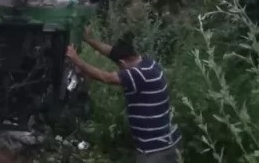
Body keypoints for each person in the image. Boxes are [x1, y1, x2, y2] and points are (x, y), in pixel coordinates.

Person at [65, 27, 181, 163]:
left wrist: (75, 59)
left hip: (154, 150)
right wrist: (90, 40)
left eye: (119, 66)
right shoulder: (148, 63)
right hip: (169, 140)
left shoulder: (137, 75)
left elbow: (105, 77)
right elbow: (113, 53)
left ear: (122, 63)